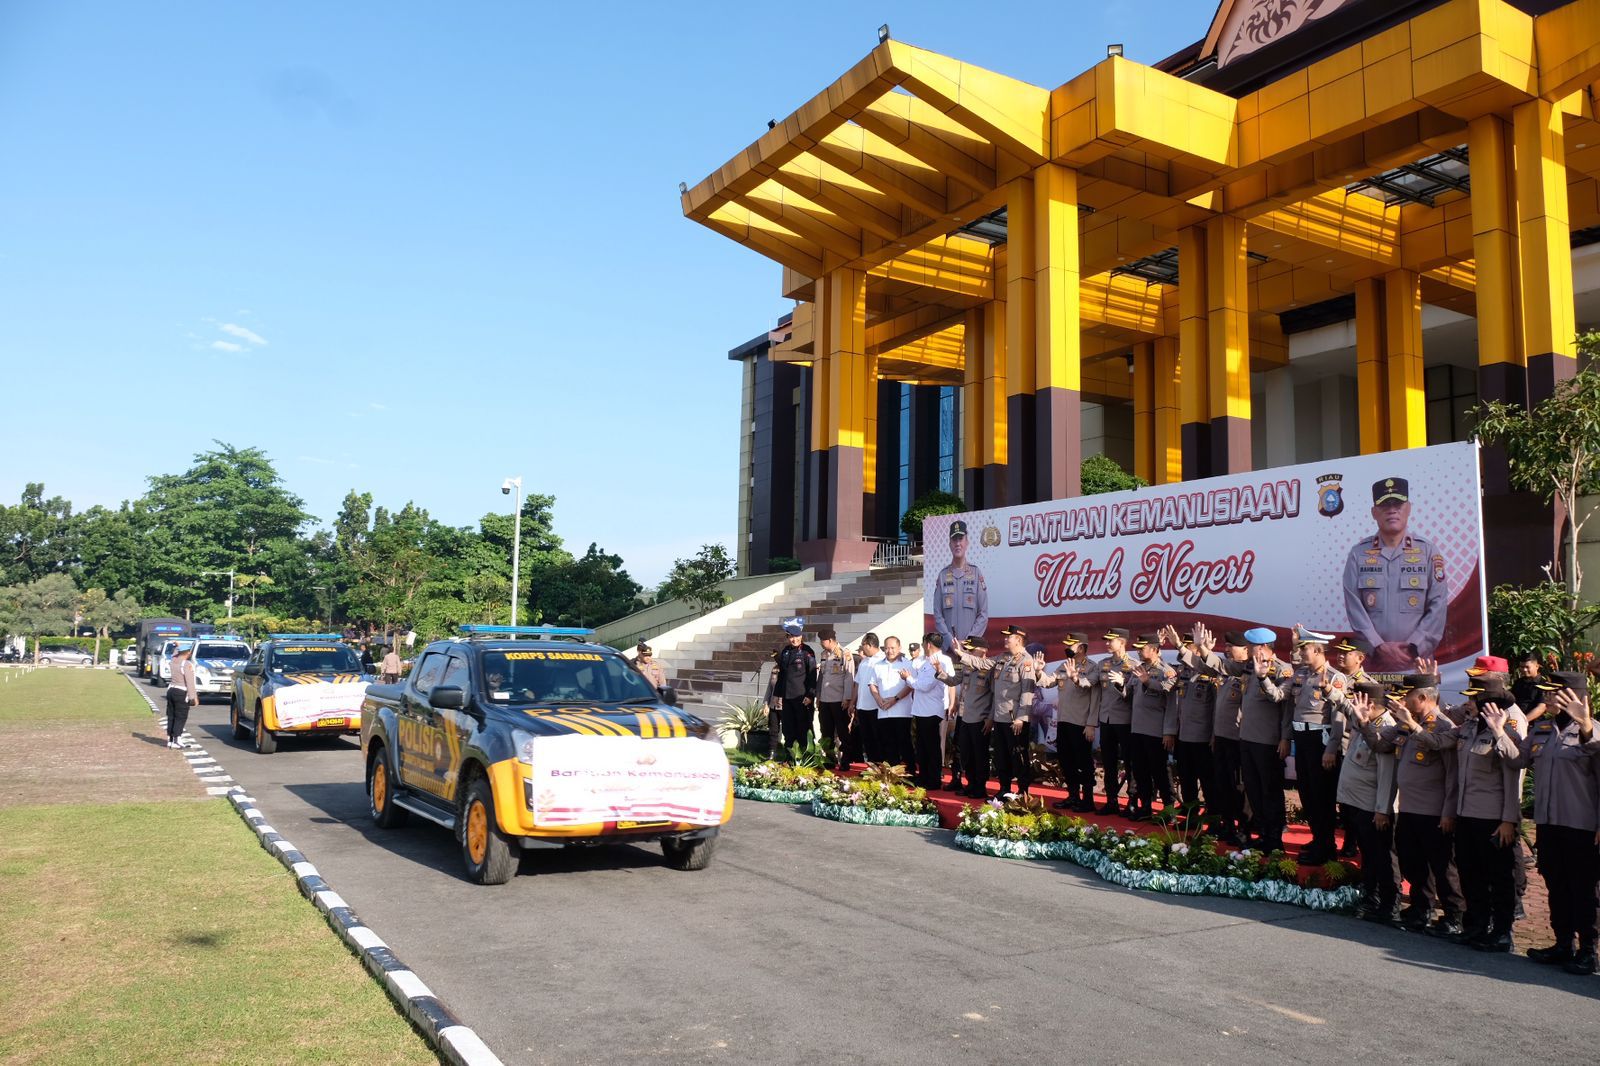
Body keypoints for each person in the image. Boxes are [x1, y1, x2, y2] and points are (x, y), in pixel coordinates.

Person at [1416, 670, 1526, 951]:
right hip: (1466, 815)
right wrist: (1412, 724)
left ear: (1489, 703)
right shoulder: (1467, 728)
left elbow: (1514, 777)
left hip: (1493, 818)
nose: (1468, 704)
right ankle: (1476, 925)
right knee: (1470, 872)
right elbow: (1441, 742)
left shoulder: (1508, 733)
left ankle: (1502, 932)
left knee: (1499, 878)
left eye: (1474, 700)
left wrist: (1509, 820)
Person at [1513, 671, 1600, 973]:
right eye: (1547, 693)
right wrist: (1501, 732)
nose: (1547, 698)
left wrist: (1587, 724)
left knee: (1583, 888)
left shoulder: (1594, 731)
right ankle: (1564, 943)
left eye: (1554, 693)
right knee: (1556, 884)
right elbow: (1516, 760)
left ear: (1573, 697)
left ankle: (1588, 950)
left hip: (1581, 825)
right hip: (1548, 823)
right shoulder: (1542, 729)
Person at [1374, 674, 1465, 936]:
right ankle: (1420, 908)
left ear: (1423, 698)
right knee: (1414, 863)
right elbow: (1380, 744)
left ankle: (1453, 915)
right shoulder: (1406, 723)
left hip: (1434, 811)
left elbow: (1451, 775)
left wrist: (1448, 811)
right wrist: (1361, 719)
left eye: (1408, 696)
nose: (1403, 701)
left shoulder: (1444, 726)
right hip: (1409, 808)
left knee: (1442, 866)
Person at [1342, 478, 1448, 672]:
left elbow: (1438, 607)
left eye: (1398, 504)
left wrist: (1414, 647)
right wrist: (1378, 646)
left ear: (1408, 508)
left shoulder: (1428, 552)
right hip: (1373, 664)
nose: (1392, 510)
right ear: (1374, 512)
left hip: (1417, 665)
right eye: (1384, 505)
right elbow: (1354, 608)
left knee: (1421, 703)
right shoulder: (1358, 554)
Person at [953, 625, 1040, 796]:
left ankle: (1023, 793)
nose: (1006, 639)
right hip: (1000, 718)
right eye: (1006, 636)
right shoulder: (1002, 658)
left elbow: (1028, 691)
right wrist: (961, 654)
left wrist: (1021, 718)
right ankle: (1004, 790)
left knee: (1019, 758)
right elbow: (982, 663)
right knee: (1001, 758)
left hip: (1015, 719)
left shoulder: (1026, 661)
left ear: (1019, 640)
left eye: (1010, 637)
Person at [1342, 682, 1402, 923]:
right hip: (1359, 803)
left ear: (1371, 705)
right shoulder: (1367, 724)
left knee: (1383, 857)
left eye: (1358, 701)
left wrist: (1382, 809)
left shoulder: (1385, 728)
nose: (1354, 706)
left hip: (1374, 807)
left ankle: (1389, 903)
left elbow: (1387, 774)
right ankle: (1371, 897)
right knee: (1368, 854)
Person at [1288, 627, 1349, 865]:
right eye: (1301, 649)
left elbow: (1338, 718)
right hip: (1301, 739)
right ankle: (1318, 838)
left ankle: (1326, 846)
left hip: (1319, 741)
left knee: (1321, 796)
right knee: (1306, 793)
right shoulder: (1302, 673)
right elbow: (1289, 687)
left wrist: (1332, 748)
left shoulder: (1335, 678)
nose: (1301, 653)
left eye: (1305, 649)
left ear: (1317, 650)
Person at [1238, 627, 1294, 852]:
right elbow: (1221, 666)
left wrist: (1285, 738)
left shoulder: (1283, 670)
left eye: (1251, 646)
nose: (1249, 649)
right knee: (1253, 789)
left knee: (1270, 790)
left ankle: (1274, 838)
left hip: (1268, 740)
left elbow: (1280, 698)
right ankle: (1262, 833)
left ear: (1262, 647)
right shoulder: (1249, 667)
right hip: (1247, 737)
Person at [1040, 634, 1099, 811]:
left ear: (1081, 648)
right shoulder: (1063, 665)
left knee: (1084, 764)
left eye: (1071, 645)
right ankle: (1073, 796)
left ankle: (1087, 800)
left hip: (1081, 723)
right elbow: (1048, 682)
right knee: (1066, 761)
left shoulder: (1092, 668)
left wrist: (1091, 724)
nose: (1067, 648)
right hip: (1063, 721)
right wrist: (1038, 671)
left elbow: (1089, 686)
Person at [1170, 623, 1218, 819]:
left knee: (1208, 781)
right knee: (1187, 779)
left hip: (1202, 737)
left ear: (1198, 650)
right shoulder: (1183, 673)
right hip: (1183, 735)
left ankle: (1214, 817)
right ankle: (1191, 816)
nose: (1186, 650)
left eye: (1189, 646)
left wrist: (1214, 735)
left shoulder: (1211, 674)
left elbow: (1216, 708)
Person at [1127, 633, 1177, 821]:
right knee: (1140, 771)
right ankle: (1145, 807)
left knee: (1160, 772)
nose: (1139, 651)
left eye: (1143, 648)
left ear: (1155, 649)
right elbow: (1129, 694)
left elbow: (1171, 702)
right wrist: (1118, 685)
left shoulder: (1167, 671)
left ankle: (1168, 811)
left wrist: (1169, 731)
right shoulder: (1139, 669)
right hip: (1137, 728)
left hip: (1156, 731)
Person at [945, 634, 995, 798]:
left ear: (984, 651)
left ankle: (980, 787)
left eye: (972, 649)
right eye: (968, 649)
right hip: (965, 716)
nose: (969, 652)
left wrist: (990, 718)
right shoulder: (966, 666)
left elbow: (995, 695)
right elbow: (954, 681)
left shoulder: (989, 667)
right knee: (966, 753)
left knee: (979, 755)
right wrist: (939, 671)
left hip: (980, 718)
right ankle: (971, 784)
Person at [1096, 628, 1138, 816]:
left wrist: (1122, 683)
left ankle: (1132, 800)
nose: (1107, 643)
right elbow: (1090, 684)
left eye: (1110, 640)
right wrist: (1075, 677)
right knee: (1109, 762)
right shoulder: (1102, 664)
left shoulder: (1134, 665)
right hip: (1106, 719)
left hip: (1125, 720)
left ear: (1121, 642)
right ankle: (1111, 800)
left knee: (1130, 763)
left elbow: (1134, 696)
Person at [932, 520, 988, 650]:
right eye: (954, 540)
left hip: (971, 650)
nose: (958, 543)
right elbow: (938, 614)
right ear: (950, 544)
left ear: (966, 542)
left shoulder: (975, 573)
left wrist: (969, 641)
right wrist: (949, 641)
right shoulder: (942, 575)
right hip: (948, 649)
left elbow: (983, 614)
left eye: (961, 539)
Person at [909, 633, 954, 791]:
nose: (922, 647)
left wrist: (908, 678)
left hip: (931, 710)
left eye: (923, 644)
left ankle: (933, 780)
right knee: (922, 747)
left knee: (932, 747)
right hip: (921, 710)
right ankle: (923, 777)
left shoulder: (942, 660)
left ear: (928, 644)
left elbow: (926, 685)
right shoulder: (924, 661)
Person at [773, 619, 817, 754]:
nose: (794, 639)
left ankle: (806, 758)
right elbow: (782, 675)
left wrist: (810, 695)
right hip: (787, 697)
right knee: (788, 728)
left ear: (801, 636)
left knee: (804, 729)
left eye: (796, 636)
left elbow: (812, 675)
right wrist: (777, 694)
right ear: (787, 637)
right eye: (791, 637)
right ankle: (789, 758)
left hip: (802, 697)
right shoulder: (785, 652)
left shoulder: (807, 652)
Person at [870, 637, 915, 766]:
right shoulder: (878, 665)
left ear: (899, 648)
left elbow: (910, 685)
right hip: (883, 711)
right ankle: (891, 774)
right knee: (887, 744)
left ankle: (909, 773)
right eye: (887, 648)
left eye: (892, 648)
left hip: (902, 711)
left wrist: (895, 699)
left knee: (904, 743)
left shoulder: (907, 664)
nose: (889, 651)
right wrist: (878, 699)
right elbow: (872, 684)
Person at [815, 628, 856, 771]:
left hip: (839, 699)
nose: (821, 643)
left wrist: (847, 697)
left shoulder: (845, 654)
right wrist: (818, 696)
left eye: (823, 641)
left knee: (842, 731)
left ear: (831, 640)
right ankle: (829, 758)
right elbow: (821, 677)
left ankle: (845, 759)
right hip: (825, 700)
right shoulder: (823, 654)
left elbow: (849, 676)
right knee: (826, 731)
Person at [849, 633, 885, 764]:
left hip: (876, 707)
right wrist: (852, 702)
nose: (862, 648)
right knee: (867, 739)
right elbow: (857, 684)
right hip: (862, 706)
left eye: (863, 645)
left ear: (869, 645)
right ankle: (871, 765)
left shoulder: (883, 660)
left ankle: (881, 767)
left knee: (878, 738)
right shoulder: (864, 661)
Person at [165, 643, 198, 749]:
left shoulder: (173, 661)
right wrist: (193, 697)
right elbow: (190, 682)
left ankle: (170, 740)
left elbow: (174, 655)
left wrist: (177, 647)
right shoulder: (186, 664)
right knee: (181, 717)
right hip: (181, 692)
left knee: (171, 716)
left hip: (171, 690)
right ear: (188, 653)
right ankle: (177, 739)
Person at [1511, 651, 1547, 722]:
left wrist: (1523, 722)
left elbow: (1541, 707)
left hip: (1535, 724)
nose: (1524, 670)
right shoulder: (1518, 683)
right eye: (1522, 667)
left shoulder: (1544, 684)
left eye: (1527, 667)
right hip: (1515, 721)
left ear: (1537, 666)